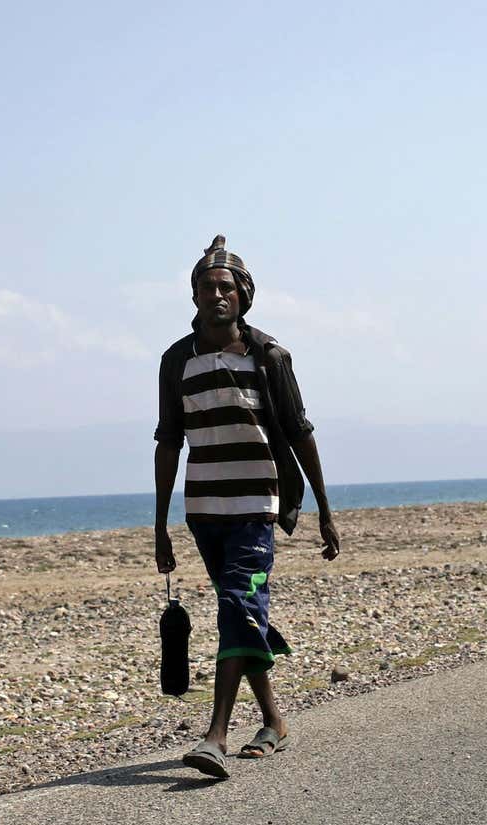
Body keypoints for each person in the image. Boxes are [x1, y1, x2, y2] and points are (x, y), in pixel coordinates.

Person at [154, 235, 341, 779]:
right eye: (207, 287)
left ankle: (215, 736)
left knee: (237, 604)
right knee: (244, 611)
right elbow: (169, 442)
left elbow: (299, 433)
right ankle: (275, 722)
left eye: (226, 287)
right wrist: (161, 522)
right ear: (193, 296)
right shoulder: (175, 361)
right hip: (204, 510)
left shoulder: (269, 355)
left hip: (258, 505)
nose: (217, 295)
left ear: (243, 296)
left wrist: (325, 509)